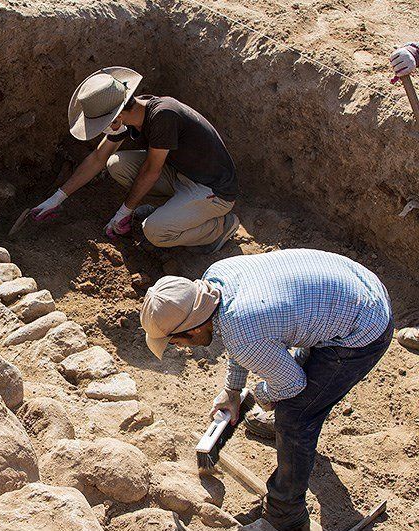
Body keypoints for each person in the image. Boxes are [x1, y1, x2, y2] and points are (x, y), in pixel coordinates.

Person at [138, 249, 393, 531]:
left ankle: (286, 517)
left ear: (194, 330)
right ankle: (285, 428)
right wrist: (232, 391)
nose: (179, 348)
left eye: (175, 342)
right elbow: (240, 334)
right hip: (348, 289)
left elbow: (291, 383)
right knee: (290, 387)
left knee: (295, 415)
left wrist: (262, 397)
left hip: (364, 327)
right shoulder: (217, 277)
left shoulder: (244, 334)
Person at [31, 67, 240, 254]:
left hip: (213, 191)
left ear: (116, 118)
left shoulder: (163, 116)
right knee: (116, 164)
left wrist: (123, 212)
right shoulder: (135, 114)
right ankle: (172, 210)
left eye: (102, 123)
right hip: (182, 175)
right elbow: (98, 158)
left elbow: (151, 171)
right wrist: (57, 198)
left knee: (155, 232)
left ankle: (220, 227)